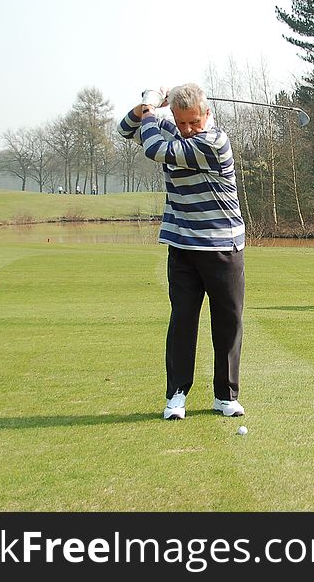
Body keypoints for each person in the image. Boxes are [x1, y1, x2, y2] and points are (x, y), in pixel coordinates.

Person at [118, 83, 246, 420]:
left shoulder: (214, 142)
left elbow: (154, 149)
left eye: (194, 122)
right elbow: (125, 129)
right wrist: (144, 106)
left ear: (207, 114)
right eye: (181, 122)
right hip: (182, 246)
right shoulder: (174, 131)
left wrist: (150, 109)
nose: (188, 130)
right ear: (174, 116)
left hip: (222, 246)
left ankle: (225, 396)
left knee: (228, 321)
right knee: (183, 322)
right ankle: (176, 395)